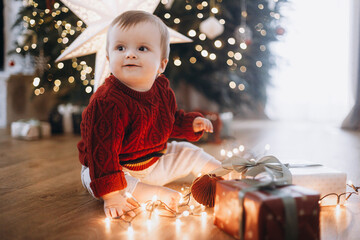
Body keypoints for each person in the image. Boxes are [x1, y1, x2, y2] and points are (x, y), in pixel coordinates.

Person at [78, 10, 221, 219]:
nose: (130, 54)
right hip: (112, 169)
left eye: (142, 48)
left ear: (161, 64)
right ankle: (154, 194)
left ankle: (223, 175)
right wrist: (111, 197)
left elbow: (168, 121)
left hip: (153, 161)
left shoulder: (162, 89)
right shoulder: (107, 102)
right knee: (118, 183)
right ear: (109, 58)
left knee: (188, 151)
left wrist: (191, 124)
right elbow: (103, 152)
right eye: (120, 48)